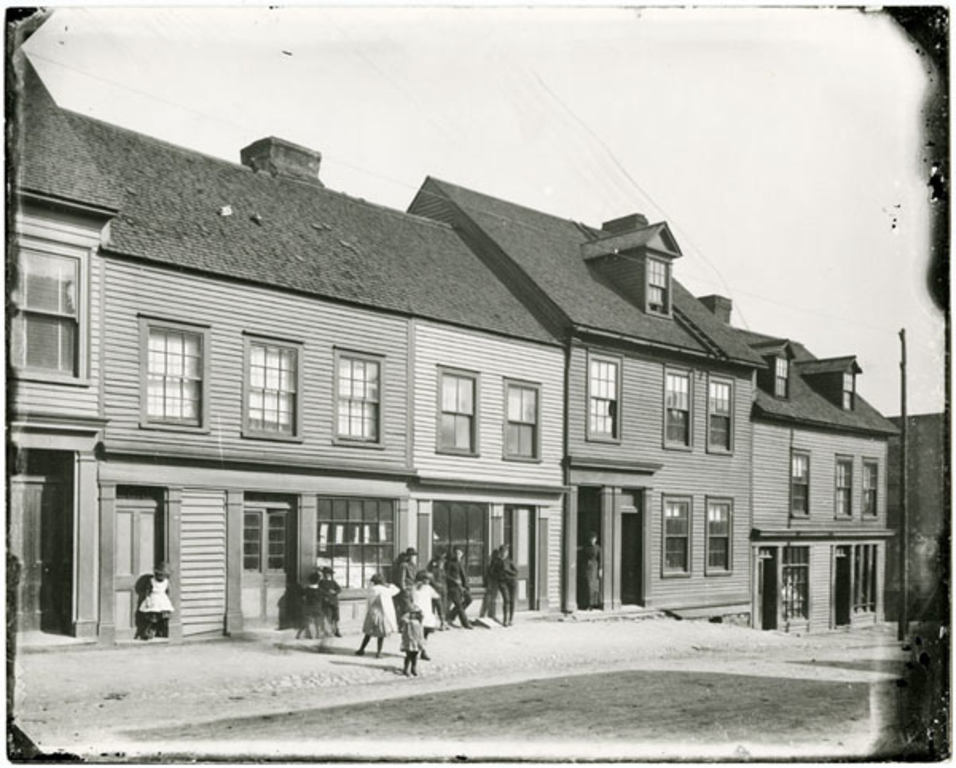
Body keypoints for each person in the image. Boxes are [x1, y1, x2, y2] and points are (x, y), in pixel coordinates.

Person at [356, 573, 400, 658]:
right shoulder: (386, 589)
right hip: (383, 613)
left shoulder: (373, 589)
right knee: (381, 634)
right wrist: (389, 585)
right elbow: (397, 590)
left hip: (374, 611)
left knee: (368, 633)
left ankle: (361, 649)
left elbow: (368, 595)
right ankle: (378, 652)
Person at [137, 562, 174, 640]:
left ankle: (163, 632)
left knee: (164, 616)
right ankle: (147, 632)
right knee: (153, 617)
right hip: (154, 598)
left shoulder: (166, 582)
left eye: (163, 575)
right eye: (159, 575)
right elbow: (148, 591)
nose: (161, 577)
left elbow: (168, 591)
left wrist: (167, 598)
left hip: (162, 599)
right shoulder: (152, 581)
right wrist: (147, 599)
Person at [411, 571, 441, 660]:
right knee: (417, 633)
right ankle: (415, 651)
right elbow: (413, 599)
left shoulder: (428, 588)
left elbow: (436, 596)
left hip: (427, 613)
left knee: (425, 633)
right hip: (418, 612)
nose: (428, 581)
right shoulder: (415, 588)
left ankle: (423, 651)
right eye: (426, 579)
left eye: (429, 579)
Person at [444, 546, 473, 629]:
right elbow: (446, 575)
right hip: (453, 587)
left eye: (459, 553)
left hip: (464, 587)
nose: (458, 555)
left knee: (469, 600)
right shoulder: (449, 563)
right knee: (459, 605)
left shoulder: (461, 563)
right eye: (456, 553)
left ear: (462, 554)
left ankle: (451, 615)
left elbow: (464, 575)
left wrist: (466, 585)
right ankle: (466, 623)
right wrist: (454, 581)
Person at [493, 544, 519, 627]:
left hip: (512, 583)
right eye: (503, 552)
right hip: (502, 583)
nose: (504, 554)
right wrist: (498, 576)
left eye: (506, 552)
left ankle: (511, 619)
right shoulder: (496, 562)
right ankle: (505, 620)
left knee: (512, 601)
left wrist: (508, 571)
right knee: (506, 600)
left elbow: (516, 572)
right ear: (500, 553)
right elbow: (491, 572)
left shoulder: (509, 561)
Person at [399, 606, 426, 677]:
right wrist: (408, 614)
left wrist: (420, 611)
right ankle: (405, 668)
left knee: (415, 655)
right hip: (409, 640)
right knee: (409, 655)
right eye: (413, 613)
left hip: (417, 640)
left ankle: (413, 668)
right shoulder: (408, 621)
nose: (414, 614)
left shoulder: (419, 621)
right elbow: (402, 618)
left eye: (416, 613)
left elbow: (423, 616)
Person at [317, 566, 342, 638]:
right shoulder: (321, 582)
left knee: (336, 617)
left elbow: (339, 589)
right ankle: (329, 631)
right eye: (326, 573)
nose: (327, 575)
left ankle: (337, 630)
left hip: (334, 601)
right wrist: (328, 592)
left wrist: (335, 592)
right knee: (328, 616)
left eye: (329, 574)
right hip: (326, 601)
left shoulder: (333, 582)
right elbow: (320, 591)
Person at [426, 550, 449, 629]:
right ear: (437, 562)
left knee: (443, 607)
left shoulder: (443, 571)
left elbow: (445, 580)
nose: (442, 563)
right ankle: (432, 624)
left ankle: (443, 622)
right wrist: (437, 585)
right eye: (441, 562)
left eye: (443, 562)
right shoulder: (433, 570)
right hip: (436, 591)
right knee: (437, 607)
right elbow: (431, 581)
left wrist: (445, 587)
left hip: (443, 591)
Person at [297, 570, 323, 639]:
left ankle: (301, 634)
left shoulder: (306, 589)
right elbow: (323, 597)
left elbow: (301, 595)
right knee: (318, 621)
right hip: (317, 607)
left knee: (307, 621)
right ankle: (318, 634)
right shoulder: (320, 590)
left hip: (308, 607)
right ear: (318, 581)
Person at [479, 547, 502, 622]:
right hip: (493, 583)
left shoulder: (492, 563)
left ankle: (487, 614)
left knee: (490, 599)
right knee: (491, 599)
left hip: (492, 583)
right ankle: (488, 614)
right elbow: (491, 573)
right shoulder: (495, 563)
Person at [583, 532, 602, 610]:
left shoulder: (598, 548)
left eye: (593, 539)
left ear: (596, 539)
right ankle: (588, 603)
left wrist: (600, 569)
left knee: (594, 586)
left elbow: (600, 559)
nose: (592, 540)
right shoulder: (586, 547)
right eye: (591, 539)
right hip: (587, 566)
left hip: (595, 566)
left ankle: (594, 604)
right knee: (588, 585)